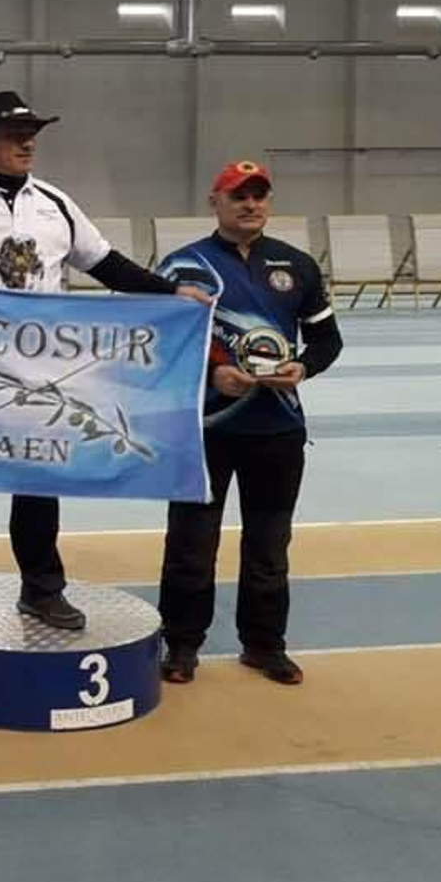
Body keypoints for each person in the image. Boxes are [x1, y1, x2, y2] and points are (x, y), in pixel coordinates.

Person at [0, 90, 210, 634]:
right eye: (16, 134)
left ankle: (41, 589)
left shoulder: (56, 204)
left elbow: (105, 264)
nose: (28, 142)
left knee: (38, 483)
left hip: (44, 380)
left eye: (32, 132)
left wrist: (169, 292)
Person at [155, 160, 343, 686]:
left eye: (259, 195)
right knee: (192, 544)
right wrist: (214, 373)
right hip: (205, 430)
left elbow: (328, 340)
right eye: (238, 195)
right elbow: (160, 346)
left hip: (277, 432)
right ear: (215, 201)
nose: (250, 205)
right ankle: (182, 645)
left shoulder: (297, 266)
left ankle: (264, 645)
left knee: (269, 545)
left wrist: (302, 366)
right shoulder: (180, 267)